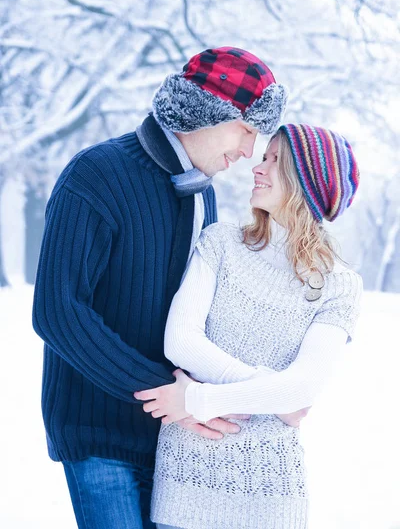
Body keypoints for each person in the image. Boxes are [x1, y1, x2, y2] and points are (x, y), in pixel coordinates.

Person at [32, 46, 295, 529]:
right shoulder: (97, 174)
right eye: (246, 129)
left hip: (174, 439)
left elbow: (204, 317)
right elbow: (58, 311)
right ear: (207, 112)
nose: (248, 151)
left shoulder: (202, 194)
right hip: (100, 432)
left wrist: (264, 389)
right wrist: (159, 388)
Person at [135, 123, 363, 529]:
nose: (258, 167)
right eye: (263, 157)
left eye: (276, 160)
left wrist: (199, 400)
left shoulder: (338, 284)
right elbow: (181, 341)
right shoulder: (221, 242)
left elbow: (303, 387)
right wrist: (274, 396)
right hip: (187, 476)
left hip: (270, 493)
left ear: (307, 182)